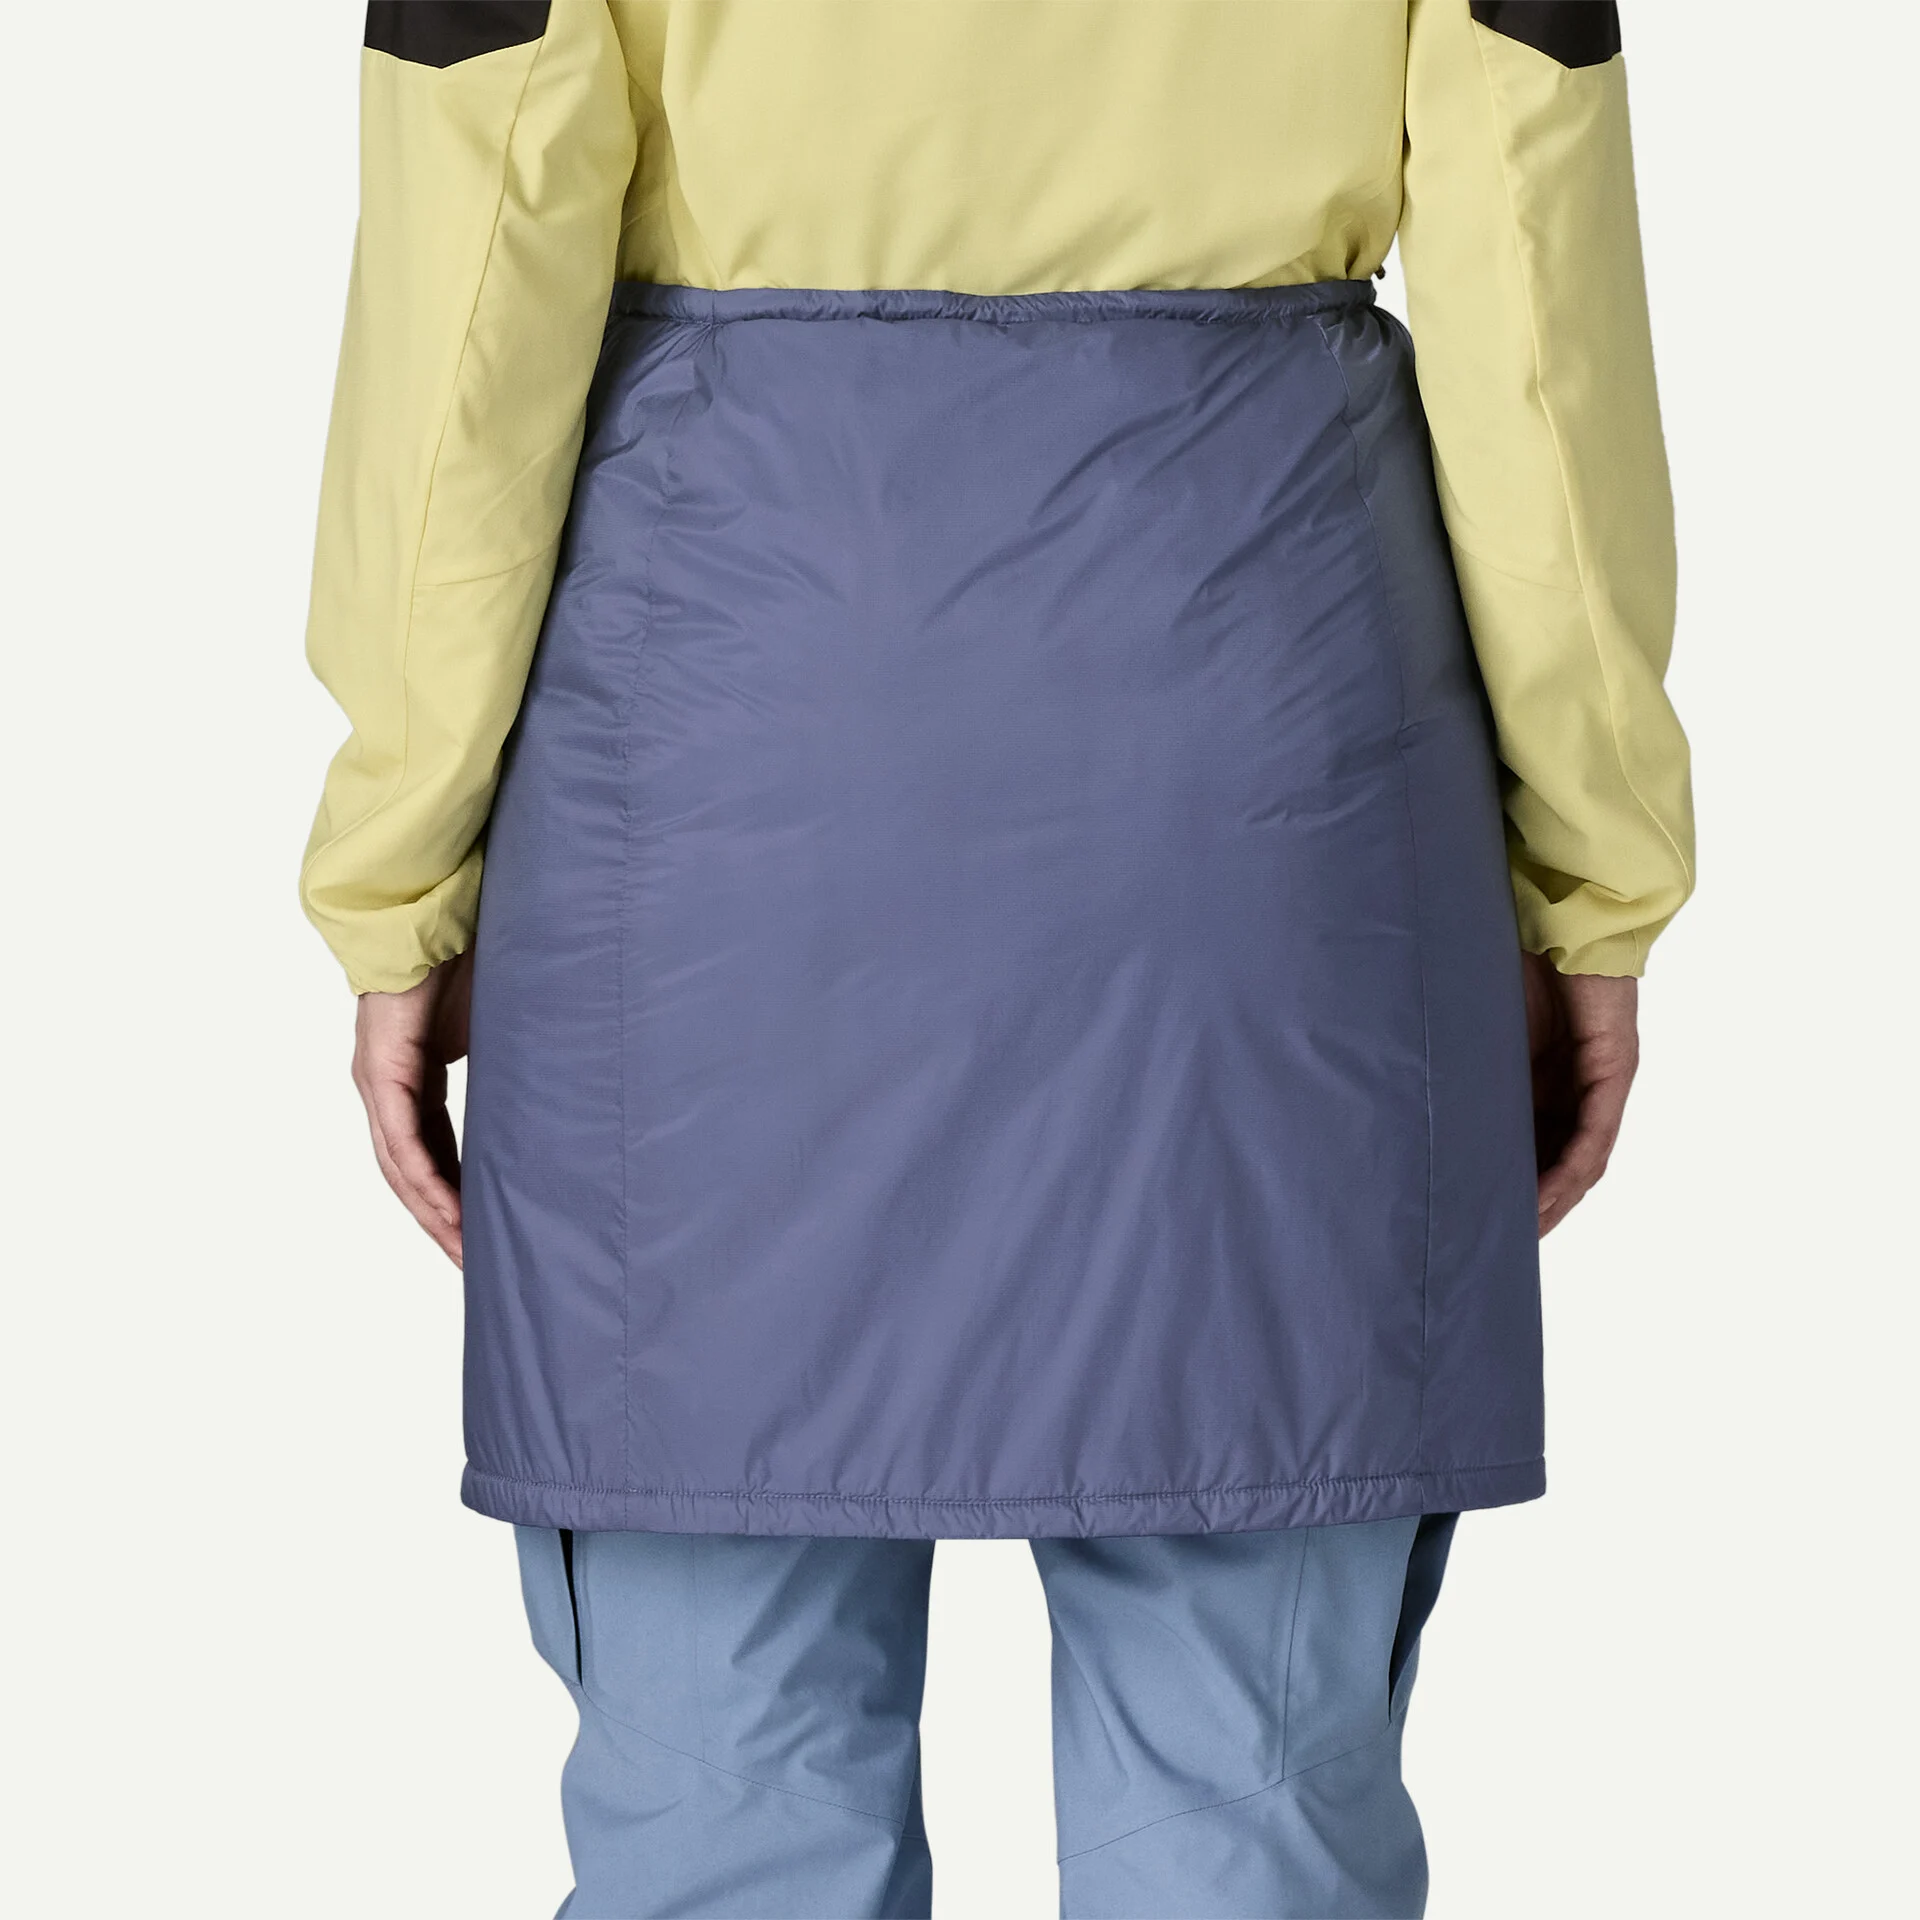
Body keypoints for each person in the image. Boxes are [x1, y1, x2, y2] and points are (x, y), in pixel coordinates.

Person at [301, 3, 1692, 1913]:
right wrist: (1590, 874)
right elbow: (1532, 301)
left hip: (725, 825)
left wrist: (401, 868)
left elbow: (468, 310)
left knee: (727, 1810)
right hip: (1251, 808)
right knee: (1244, 1811)